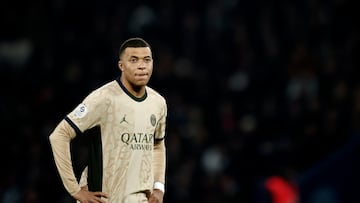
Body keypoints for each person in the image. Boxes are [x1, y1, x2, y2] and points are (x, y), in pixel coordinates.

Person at [49, 37, 167, 203]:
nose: (141, 66)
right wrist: (75, 190)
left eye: (146, 60)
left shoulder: (158, 102)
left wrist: (159, 186)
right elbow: (59, 135)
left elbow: (157, 144)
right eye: (134, 60)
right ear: (121, 66)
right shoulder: (103, 99)